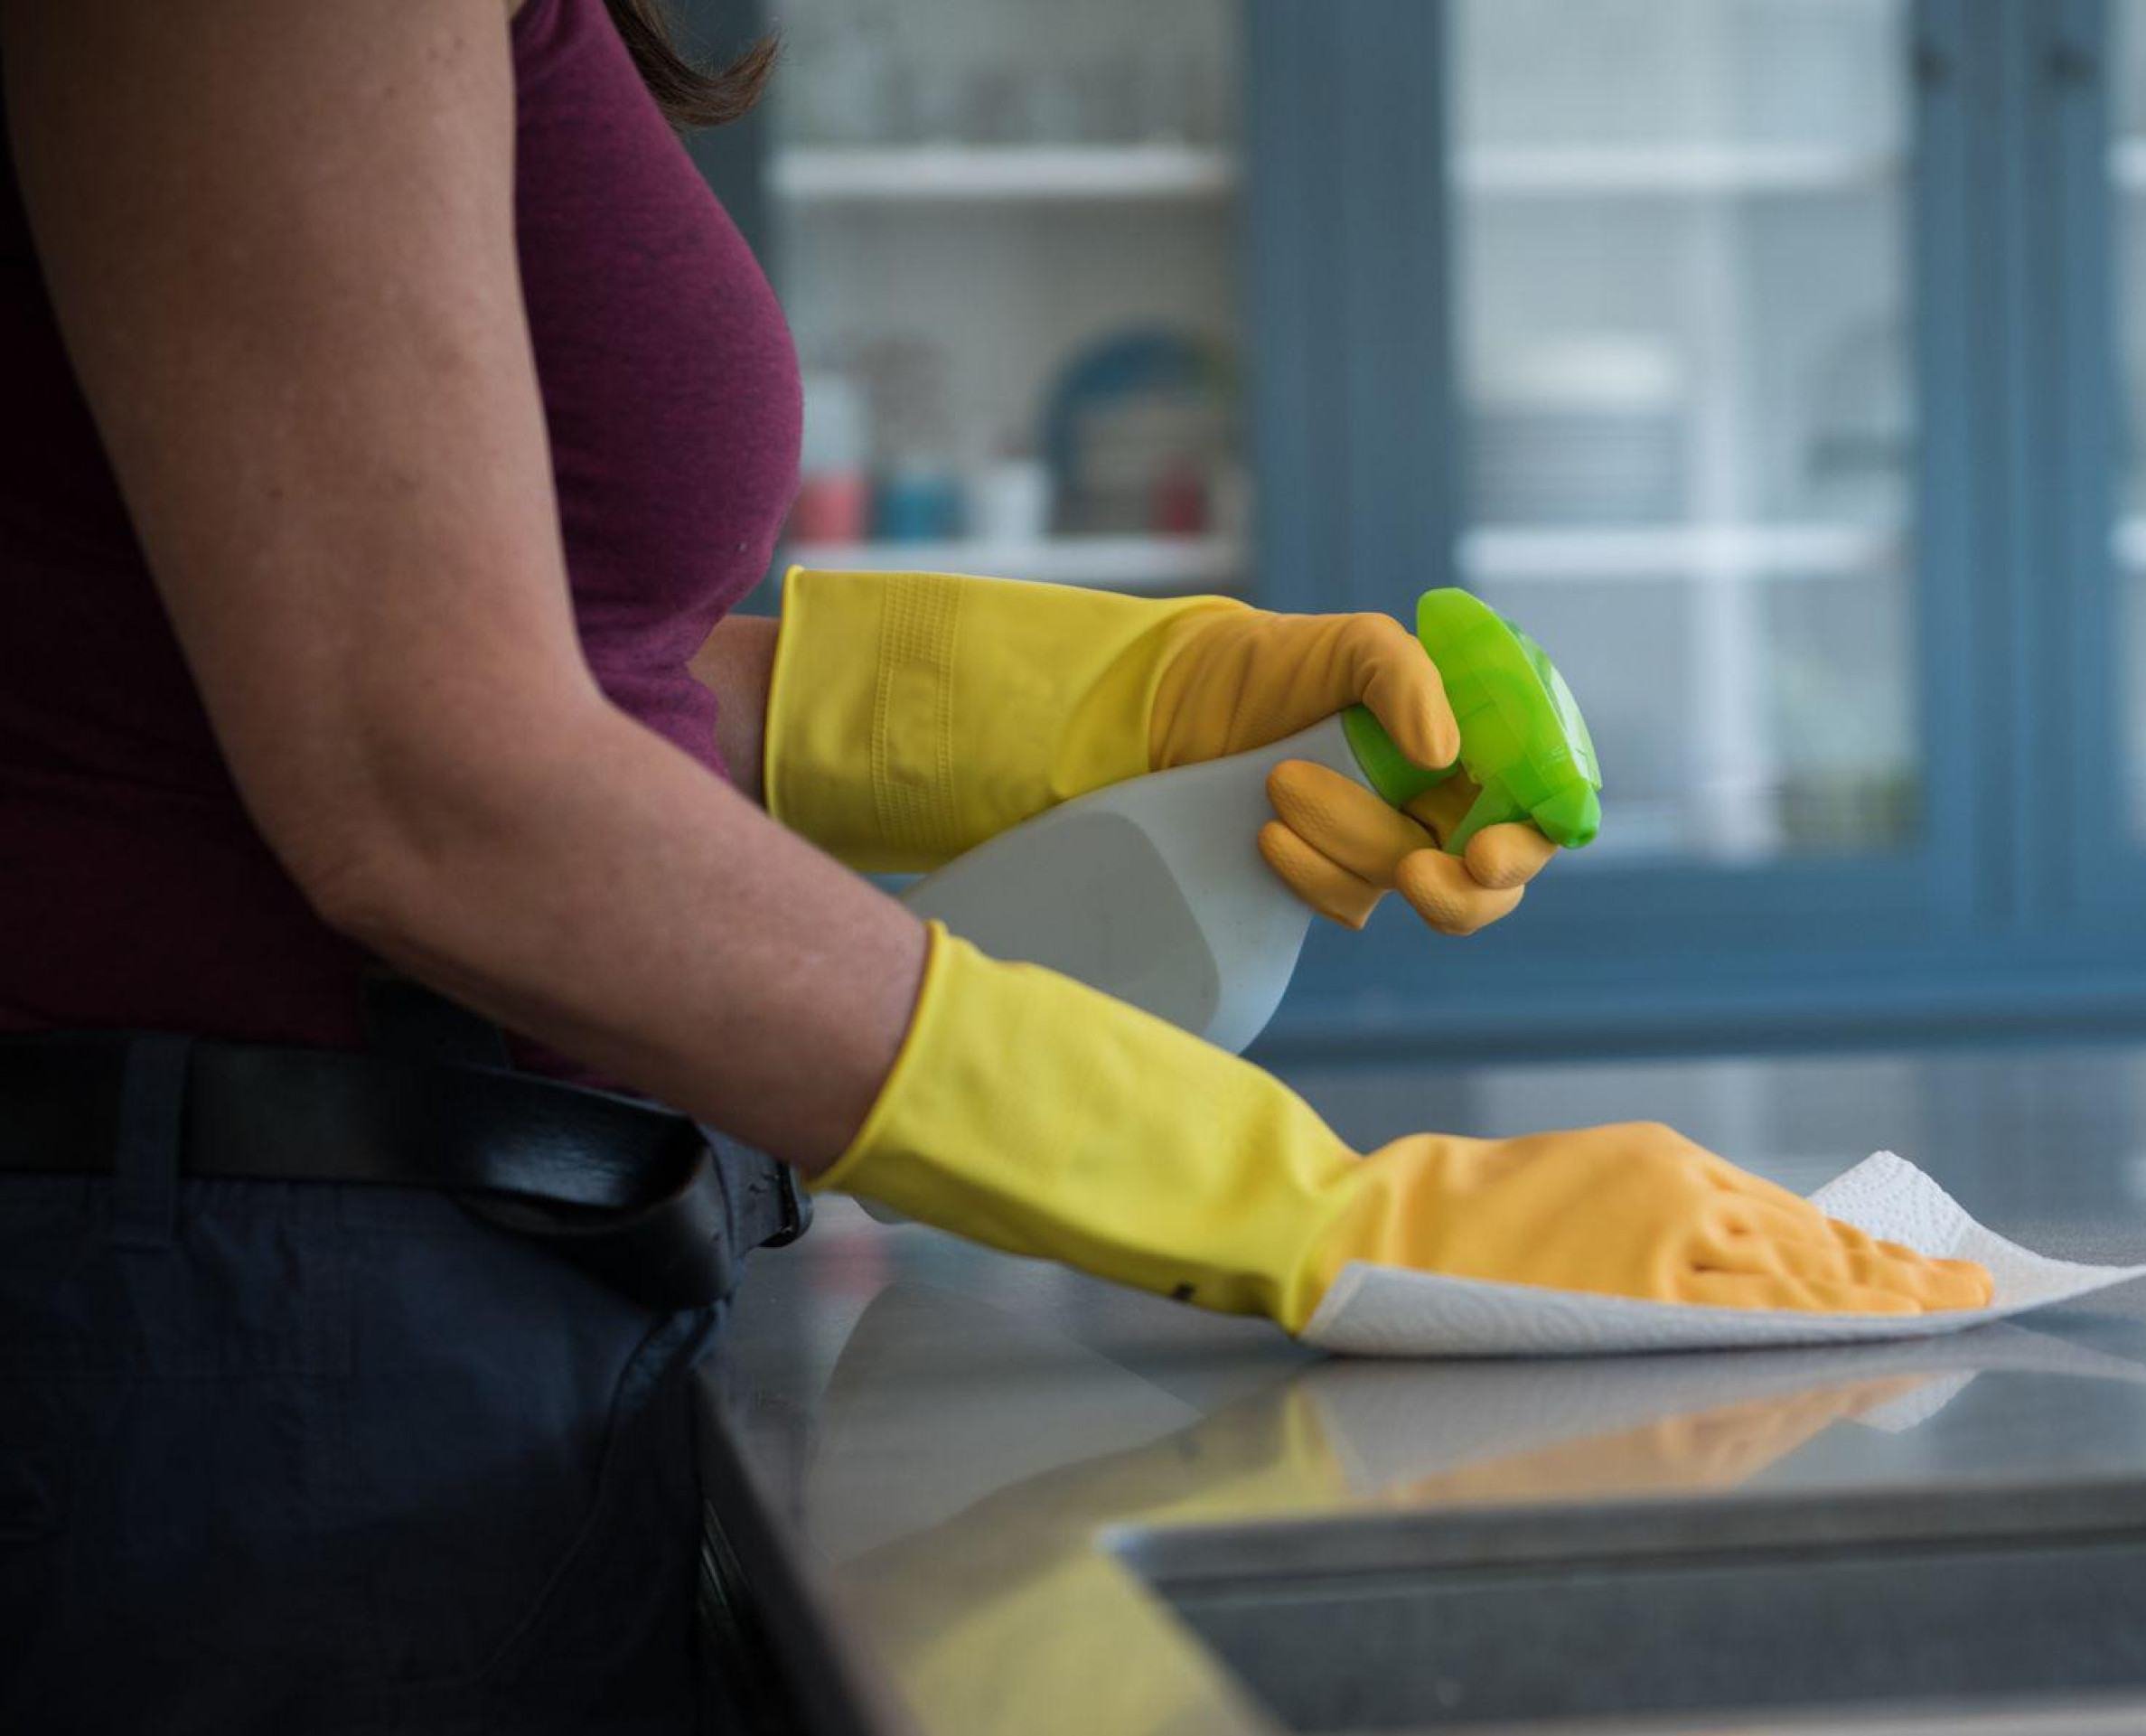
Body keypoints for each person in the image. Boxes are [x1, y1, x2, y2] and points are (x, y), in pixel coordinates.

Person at [0, 0, 1990, 1725]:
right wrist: (1304, 1198)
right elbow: (443, 783)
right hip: (257, 1360)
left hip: (428, 1300)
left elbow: (559, 660)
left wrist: (1132, 699)